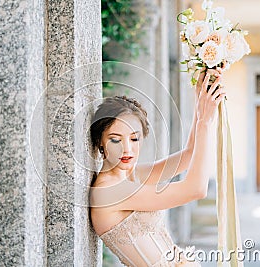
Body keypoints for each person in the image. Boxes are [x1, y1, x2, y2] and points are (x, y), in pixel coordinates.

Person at [89, 68, 225, 266]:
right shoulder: (108, 190)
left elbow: (188, 155)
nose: (127, 149)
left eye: (134, 138)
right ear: (100, 142)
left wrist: (201, 101)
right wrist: (204, 122)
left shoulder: (129, 174)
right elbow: (196, 189)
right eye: (115, 140)